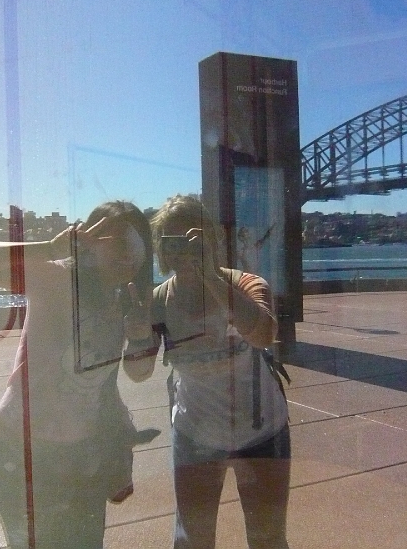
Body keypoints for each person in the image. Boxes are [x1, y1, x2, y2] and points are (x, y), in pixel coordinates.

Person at [0, 201, 156, 549]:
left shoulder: (125, 298)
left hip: (85, 452)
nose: (127, 253)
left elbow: (138, 374)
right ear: (89, 241)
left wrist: (141, 338)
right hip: (26, 452)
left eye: (135, 244)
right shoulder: (56, 277)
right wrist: (50, 248)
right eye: (115, 241)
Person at [149, 195, 291, 549]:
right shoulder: (158, 300)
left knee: (268, 538)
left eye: (194, 240)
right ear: (161, 250)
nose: (184, 250)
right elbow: (137, 371)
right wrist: (135, 330)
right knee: (192, 540)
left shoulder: (247, 284)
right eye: (173, 242)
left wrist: (211, 276)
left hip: (262, 431)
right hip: (196, 433)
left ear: (212, 241)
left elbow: (263, 334)